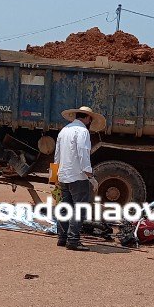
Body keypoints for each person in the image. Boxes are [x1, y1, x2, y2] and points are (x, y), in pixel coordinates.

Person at [54, 106, 103, 251]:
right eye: (90, 119)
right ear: (87, 118)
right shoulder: (82, 131)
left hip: (64, 175)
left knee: (65, 207)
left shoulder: (64, 130)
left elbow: (57, 155)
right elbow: (83, 154)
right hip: (78, 176)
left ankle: (62, 238)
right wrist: (90, 176)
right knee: (79, 208)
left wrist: (55, 175)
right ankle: (73, 240)